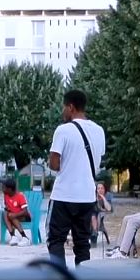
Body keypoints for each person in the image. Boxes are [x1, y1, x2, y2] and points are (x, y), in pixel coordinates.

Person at [47, 90, 106, 266]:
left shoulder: (63, 130)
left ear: (71, 107)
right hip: (87, 196)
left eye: (64, 107)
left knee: (56, 240)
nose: (63, 111)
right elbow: (97, 160)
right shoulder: (99, 130)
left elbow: (54, 164)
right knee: (82, 243)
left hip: (64, 195)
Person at [2, 179, 31, 246]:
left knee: (12, 216)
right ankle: (13, 236)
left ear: (9, 189)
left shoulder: (20, 196)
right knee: (5, 213)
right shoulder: (6, 195)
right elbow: (7, 206)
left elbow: (25, 212)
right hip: (12, 216)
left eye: (4, 187)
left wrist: (15, 215)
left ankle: (25, 237)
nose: (2, 189)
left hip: (24, 216)